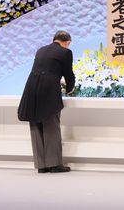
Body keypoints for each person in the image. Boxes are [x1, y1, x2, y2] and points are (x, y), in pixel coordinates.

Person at [18, 30, 75, 173]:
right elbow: (68, 73)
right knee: (51, 125)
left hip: (31, 88)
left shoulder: (41, 50)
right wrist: (69, 89)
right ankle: (54, 164)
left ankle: (41, 166)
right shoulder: (65, 52)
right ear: (67, 42)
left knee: (35, 124)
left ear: (53, 39)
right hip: (48, 89)